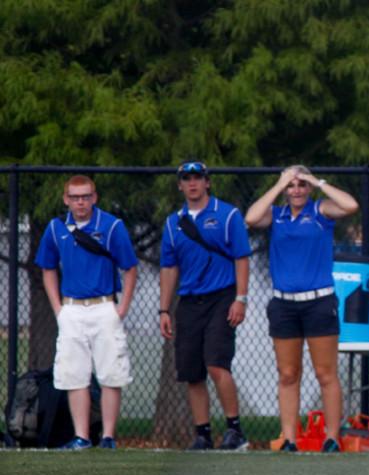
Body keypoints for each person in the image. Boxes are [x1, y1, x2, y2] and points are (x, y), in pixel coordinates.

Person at [245, 166, 358, 453]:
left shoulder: (320, 211)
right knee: (287, 373)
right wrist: (278, 183)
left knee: (325, 373)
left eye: (301, 185)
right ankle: (289, 439)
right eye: (291, 186)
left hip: (318, 303)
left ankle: (332, 438)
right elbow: (251, 217)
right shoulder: (277, 216)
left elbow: (350, 205)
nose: (296, 190)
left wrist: (316, 181)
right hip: (284, 305)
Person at [35, 175, 138, 450]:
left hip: (104, 306)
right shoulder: (57, 228)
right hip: (72, 309)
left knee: (110, 374)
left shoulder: (112, 226)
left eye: (86, 196)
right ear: (66, 199)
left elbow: (129, 268)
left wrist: (122, 308)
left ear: (95, 197)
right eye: (75, 197)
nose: (81, 202)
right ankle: (81, 436)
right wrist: (58, 308)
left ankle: (108, 436)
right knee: (74, 374)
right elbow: (47, 268)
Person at [159, 161, 252, 451]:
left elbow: (242, 258)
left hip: (222, 297)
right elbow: (169, 266)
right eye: (186, 179)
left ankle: (235, 430)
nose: (192, 184)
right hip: (189, 301)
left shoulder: (228, 215)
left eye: (197, 178)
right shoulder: (173, 223)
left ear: (207, 182)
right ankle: (203, 434)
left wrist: (241, 298)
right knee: (192, 371)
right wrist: (163, 309)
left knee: (216, 364)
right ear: (180, 185)